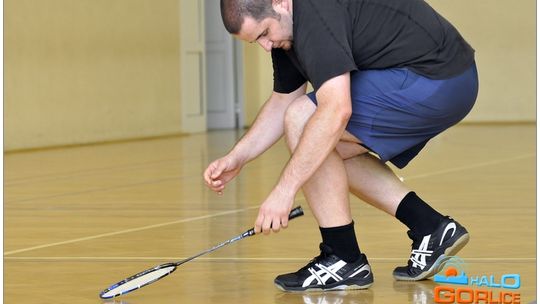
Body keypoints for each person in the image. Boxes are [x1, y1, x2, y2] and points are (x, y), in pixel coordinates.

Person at [204, 0, 478, 292]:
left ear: (279, 3)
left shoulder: (315, 13)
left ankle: (343, 258)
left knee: (305, 120)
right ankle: (431, 227)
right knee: (321, 145)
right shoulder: (287, 31)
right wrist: (238, 156)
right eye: (256, 41)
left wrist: (284, 191)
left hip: (436, 79)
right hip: (445, 78)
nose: (266, 46)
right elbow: (281, 101)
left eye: (263, 33)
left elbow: (335, 111)